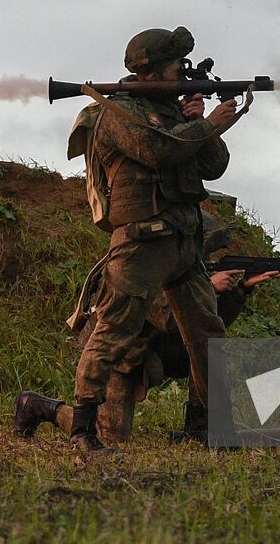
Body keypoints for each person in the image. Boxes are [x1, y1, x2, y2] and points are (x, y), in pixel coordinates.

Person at [61, 26, 246, 451]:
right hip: (141, 244)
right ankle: (82, 430)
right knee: (112, 331)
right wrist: (206, 124)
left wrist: (201, 122)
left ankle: (212, 427)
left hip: (183, 242)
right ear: (150, 73)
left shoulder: (174, 113)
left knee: (208, 333)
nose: (184, 76)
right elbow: (158, 150)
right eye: (176, 68)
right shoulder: (118, 113)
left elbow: (214, 166)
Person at [14, 264, 279, 444]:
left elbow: (208, 325)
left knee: (206, 346)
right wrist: (208, 287)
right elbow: (167, 318)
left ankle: (198, 428)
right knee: (110, 435)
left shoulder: (184, 269)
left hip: (151, 349)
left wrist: (240, 290)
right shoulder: (141, 264)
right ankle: (36, 406)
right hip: (118, 355)